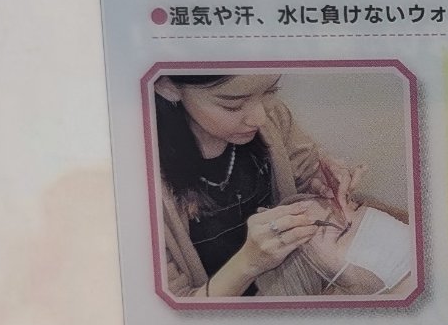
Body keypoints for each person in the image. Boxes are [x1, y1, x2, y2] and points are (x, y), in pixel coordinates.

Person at [153, 72, 369, 299]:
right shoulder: (139, 179)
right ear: (168, 87)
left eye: (270, 91)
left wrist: (321, 180)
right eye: (233, 105)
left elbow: (306, 172)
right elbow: (173, 311)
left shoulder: (275, 118)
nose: (261, 118)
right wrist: (247, 264)